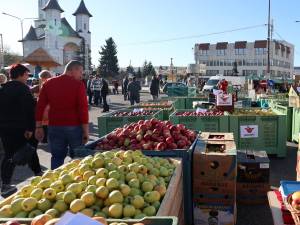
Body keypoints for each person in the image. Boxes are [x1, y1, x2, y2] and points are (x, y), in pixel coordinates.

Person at [35, 60, 89, 169]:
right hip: (74, 126)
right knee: (77, 158)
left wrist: (38, 126)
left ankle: (55, 182)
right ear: (74, 70)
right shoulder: (78, 85)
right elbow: (83, 109)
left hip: (54, 126)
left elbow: (40, 106)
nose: (81, 75)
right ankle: (77, 183)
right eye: (81, 72)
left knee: (56, 157)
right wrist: (86, 131)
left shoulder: (48, 83)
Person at [0, 64, 42, 195]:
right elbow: (29, 110)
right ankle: (38, 174)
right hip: (21, 128)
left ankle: (6, 183)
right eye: (26, 75)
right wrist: (30, 128)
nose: (27, 77)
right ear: (20, 75)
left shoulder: (3, 88)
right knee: (28, 149)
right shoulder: (23, 89)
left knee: (9, 154)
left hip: (5, 128)